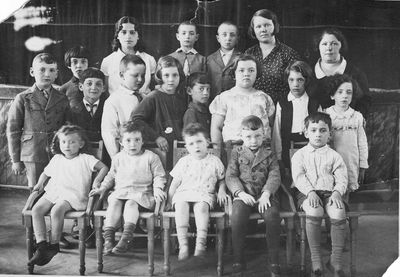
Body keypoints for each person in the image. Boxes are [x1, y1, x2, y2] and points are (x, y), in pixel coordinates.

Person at [28, 125, 108, 266]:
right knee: (36, 210)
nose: (67, 146)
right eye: (64, 142)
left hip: (73, 194)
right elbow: (46, 173)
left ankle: (54, 244)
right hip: (54, 191)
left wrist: (97, 180)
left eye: (72, 142)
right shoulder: (57, 158)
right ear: (59, 143)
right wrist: (39, 184)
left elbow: (104, 167)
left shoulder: (86, 158)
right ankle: (42, 246)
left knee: (56, 210)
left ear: (81, 144)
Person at [89, 121, 166, 254]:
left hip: (141, 194)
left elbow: (159, 176)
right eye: (128, 140)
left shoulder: (151, 157)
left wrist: (158, 189)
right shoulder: (118, 158)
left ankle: (126, 237)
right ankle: (109, 238)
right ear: (121, 142)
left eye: (137, 140)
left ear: (143, 141)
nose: (133, 144)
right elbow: (111, 176)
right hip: (121, 192)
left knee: (131, 204)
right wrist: (102, 188)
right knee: (113, 203)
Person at [291, 112, 348, 277]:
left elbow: (342, 177)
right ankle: (316, 259)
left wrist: (337, 193)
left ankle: (335, 260)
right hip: (307, 193)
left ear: (329, 134)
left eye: (323, 130)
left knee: (338, 212)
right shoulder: (299, 155)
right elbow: (299, 177)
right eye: (314, 130)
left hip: (330, 193)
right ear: (306, 132)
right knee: (314, 210)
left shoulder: (334, 156)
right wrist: (310, 192)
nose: (318, 134)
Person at [226, 115, 282, 277]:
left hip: (264, 195)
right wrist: (240, 193)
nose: (253, 140)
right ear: (241, 136)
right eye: (248, 137)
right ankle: (238, 260)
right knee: (236, 217)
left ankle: (274, 261)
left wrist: (266, 194)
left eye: (257, 136)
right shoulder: (237, 153)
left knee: (272, 216)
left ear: (263, 134)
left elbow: (274, 175)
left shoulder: (269, 154)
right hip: (243, 196)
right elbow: (231, 176)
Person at [7, 53, 70, 189]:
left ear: (57, 73)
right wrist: (16, 160)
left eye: (51, 70)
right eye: (42, 69)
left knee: (56, 188)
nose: (47, 74)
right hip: (32, 153)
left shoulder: (62, 98)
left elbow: (67, 127)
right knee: (35, 188)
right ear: (32, 72)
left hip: (57, 152)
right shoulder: (23, 98)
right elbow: (13, 131)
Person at [167, 123, 227, 260]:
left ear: (207, 142)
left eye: (199, 141)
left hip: (204, 194)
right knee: (181, 205)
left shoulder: (215, 161)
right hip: (184, 192)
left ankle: (201, 243)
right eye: (191, 144)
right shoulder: (184, 161)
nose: (196, 146)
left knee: (201, 208)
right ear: (187, 147)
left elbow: (222, 180)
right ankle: (183, 244)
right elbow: (174, 183)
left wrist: (222, 190)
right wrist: (170, 201)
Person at [209, 54, 275, 145]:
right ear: (234, 73)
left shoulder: (264, 98)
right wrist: (218, 151)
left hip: (261, 149)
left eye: (251, 70)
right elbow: (216, 127)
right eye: (241, 70)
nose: (246, 74)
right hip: (233, 148)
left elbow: (272, 125)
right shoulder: (224, 98)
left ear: (257, 73)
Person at [271, 61, 320, 177]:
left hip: (311, 150)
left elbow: (321, 129)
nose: (295, 84)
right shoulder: (282, 104)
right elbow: (277, 133)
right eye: (291, 80)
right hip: (288, 150)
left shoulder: (314, 104)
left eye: (300, 80)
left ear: (306, 81)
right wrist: (278, 157)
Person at [308, 28, 370, 117]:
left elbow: (365, 100)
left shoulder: (355, 73)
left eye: (334, 44)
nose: (329, 48)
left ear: (341, 45)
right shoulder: (309, 72)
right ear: (318, 46)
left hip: (347, 124)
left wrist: (357, 119)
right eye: (324, 44)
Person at [130, 56, 187, 153]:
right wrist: (156, 137)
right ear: (160, 76)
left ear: (180, 76)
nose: (171, 79)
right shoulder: (153, 97)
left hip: (179, 148)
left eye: (175, 75)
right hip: (160, 150)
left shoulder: (181, 98)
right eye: (166, 75)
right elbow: (136, 119)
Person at [324, 74, 368, 194]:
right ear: (332, 95)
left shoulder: (357, 117)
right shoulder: (326, 115)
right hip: (331, 161)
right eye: (340, 92)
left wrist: (363, 165)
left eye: (349, 92)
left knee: (347, 190)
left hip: (351, 160)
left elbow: (362, 143)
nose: (345, 96)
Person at [245, 9, 300, 104]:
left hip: (280, 107)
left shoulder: (289, 54)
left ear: (274, 26)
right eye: (258, 26)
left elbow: (298, 84)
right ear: (253, 30)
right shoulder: (249, 53)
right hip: (252, 106)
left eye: (267, 25)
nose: (263, 29)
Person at [102, 54, 146, 158]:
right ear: (122, 75)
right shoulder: (113, 101)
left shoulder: (145, 98)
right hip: (126, 155)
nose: (140, 79)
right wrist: (117, 159)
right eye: (135, 75)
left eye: (143, 75)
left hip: (147, 153)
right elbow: (109, 133)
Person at [101, 16, 156, 96]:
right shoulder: (108, 61)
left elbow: (153, 88)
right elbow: (105, 91)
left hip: (143, 105)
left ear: (138, 36)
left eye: (132, 32)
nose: (128, 36)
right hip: (117, 106)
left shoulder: (149, 60)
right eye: (123, 32)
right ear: (117, 36)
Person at [67, 67, 106, 142]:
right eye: (89, 84)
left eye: (98, 84)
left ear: (103, 88)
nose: (94, 88)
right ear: (81, 87)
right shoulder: (72, 111)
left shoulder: (108, 109)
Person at [206, 21, 241, 100]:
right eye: (224, 35)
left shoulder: (242, 58)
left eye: (232, 35)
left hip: (235, 101)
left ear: (237, 38)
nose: (228, 38)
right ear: (218, 38)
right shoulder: (210, 59)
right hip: (214, 101)